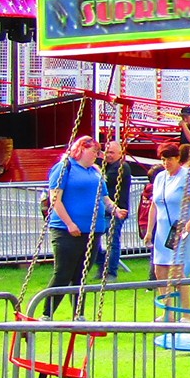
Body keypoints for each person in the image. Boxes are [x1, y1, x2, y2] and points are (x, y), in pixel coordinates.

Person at [43, 135, 106, 315]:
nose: (96, 155)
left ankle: (79, 314)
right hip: (66, 231)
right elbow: (56, 199)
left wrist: (115, 209)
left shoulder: (95, 171)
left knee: (81, 274)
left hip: (92, 231)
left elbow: (105, 196)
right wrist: (70, 223)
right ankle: (47, 313)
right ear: (82, 149)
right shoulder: (65, 167)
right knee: (63, 273)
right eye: (93, 151)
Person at [149, 141, 190, 298]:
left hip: (179, 228)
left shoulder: (187, 177)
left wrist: (189, 223)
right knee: (160, 270)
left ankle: (185, 308)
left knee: (177, 271)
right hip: (162, 230)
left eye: (169, 159)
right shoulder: (160, 177)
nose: (166, 163)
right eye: (163, 160)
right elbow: (154, 205)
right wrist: (149, 231)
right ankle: (167, 307)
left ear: (177, 158)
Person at [88, 136, 133, 280]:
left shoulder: (121, 167)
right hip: (103, 210)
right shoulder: (105, 166)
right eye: (106, 152)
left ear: (120, 153)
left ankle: (111, 272)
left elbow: (103, 181)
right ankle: (103, 264)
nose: (108, 155)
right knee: (92, 240)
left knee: (112, 242)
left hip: (117, 210)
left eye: (112, 152)